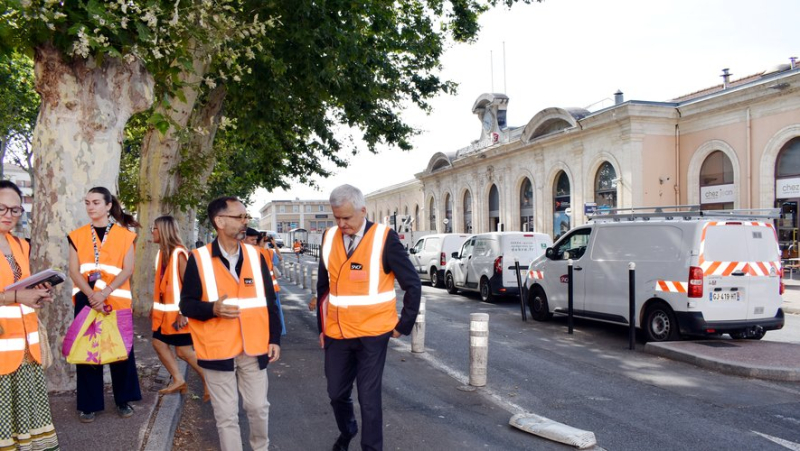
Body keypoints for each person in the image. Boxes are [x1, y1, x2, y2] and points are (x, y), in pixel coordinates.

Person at [316, 184, 421, 451]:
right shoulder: (328, 238)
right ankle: (347, 429)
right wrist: (321, 327)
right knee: (336, 393)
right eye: (336, 218)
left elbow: (412, 283)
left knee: (369, 398)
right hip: (337, 333)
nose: (341, 224)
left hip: (373, 334)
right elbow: (322, 288)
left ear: (363, 211)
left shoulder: (385, 238)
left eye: (347, 218)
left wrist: (403, 324)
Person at [180, 197, 281, 451]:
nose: (245, 222)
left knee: (258, 408)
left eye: (246, 217)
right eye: (240, 217)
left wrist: (274, 338)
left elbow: (270, 301)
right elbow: (187, 305)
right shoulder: (198, 259)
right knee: (226, 417)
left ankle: (261, 448)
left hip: (254, 347)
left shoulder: (256, 256)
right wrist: (212, 309)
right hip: (217, 349)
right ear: (220, 221)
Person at [68, 186, 142, 423]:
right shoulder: (77, 234)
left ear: (108, 206)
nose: (91, 207)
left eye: (96, 202)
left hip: (116, 298)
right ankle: (89, 405)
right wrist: (92, 295)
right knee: (88, 352)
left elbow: (128, 269)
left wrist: (105, 292)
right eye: (87, 202)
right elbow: (73, 270)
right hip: (87, 298)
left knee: (121, 351)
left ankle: (123, 400)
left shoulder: (125, 235)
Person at [0, 180, 59, 450]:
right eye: (1, 208)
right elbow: (12, 294)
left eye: (15, 210)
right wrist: (16, 297)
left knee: (27, 423)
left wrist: (36, 291)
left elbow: (17, 285)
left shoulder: (20, 245)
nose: (8, 215)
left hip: (25, 348)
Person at [150, 216, 207, 400]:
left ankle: (209, 381)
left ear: (164, 231)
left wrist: (183, 312)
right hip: (164, 315)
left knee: (183, 351)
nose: (152, 232)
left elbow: (191, 286)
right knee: (159, 343)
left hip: (178, 316)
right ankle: (178, 380)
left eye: (155, 228)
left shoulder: (179, 254)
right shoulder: (161, 254)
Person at [244, 228, 286, 335]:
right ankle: (276, 332)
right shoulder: (269, 252)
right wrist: (274, 244)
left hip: (255, 289)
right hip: (272, 287)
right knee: (275, 312)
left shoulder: (249, 253)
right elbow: (279, 258)